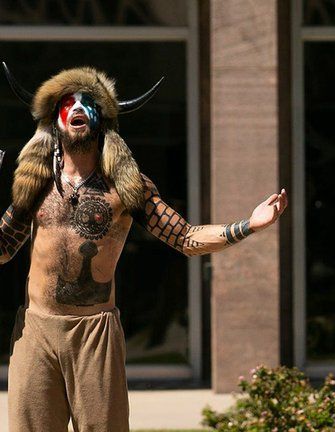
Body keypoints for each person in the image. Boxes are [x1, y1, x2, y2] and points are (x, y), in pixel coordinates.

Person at [0, 64, 288, 431]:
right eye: (67, 103)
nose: (77, 108)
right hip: (36, 331)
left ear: (102, 119)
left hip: (94, 335)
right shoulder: (35, 183)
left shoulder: (126, 187)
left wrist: (248, 225)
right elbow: (3, 249)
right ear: (54, 120)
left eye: (87, 103)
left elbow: (185, 237)